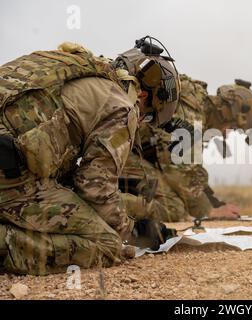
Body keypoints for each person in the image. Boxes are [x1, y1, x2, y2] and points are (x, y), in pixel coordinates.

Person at [0, 37, 179, 275]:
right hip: (10, 176)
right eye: (147, 116)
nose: (141, 120)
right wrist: (134, 232)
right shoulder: (121, 106)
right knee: (106, 245)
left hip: (10, 159)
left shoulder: (75, 67)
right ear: (144, 97)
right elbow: (95, 188)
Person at [120, 76, 252, 222]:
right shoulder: (193, 115)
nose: (229, 134)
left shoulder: (198, 108)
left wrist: (213, 203)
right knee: (173, 209)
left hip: (127, 150)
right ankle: (101, 203)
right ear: (226, 114)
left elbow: (193, 170)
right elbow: (177, 167)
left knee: (182, 204)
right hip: (116, 150)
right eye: (233, 127)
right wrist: (208, 211)